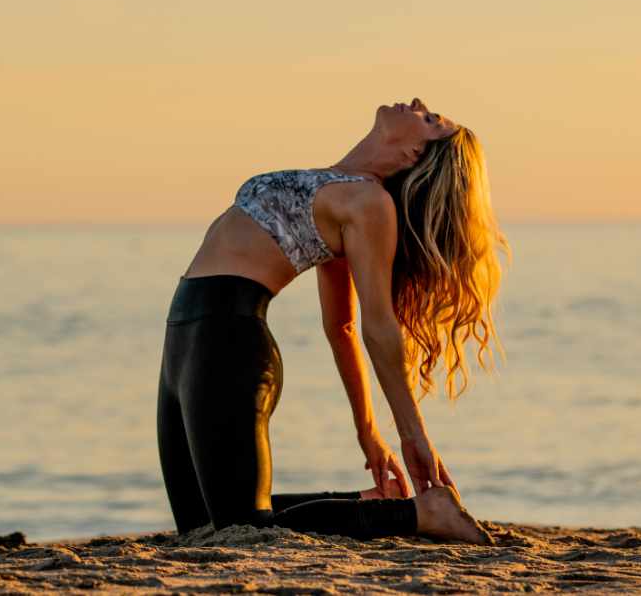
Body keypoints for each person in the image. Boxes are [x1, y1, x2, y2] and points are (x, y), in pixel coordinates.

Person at [157, 98, 510, 542]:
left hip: (228, 343)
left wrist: (411, 434)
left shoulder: (369, 204)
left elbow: (377, 325)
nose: (419, 104)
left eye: (430, 120)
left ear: (415, 153)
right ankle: (373, 504)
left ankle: (424, 514)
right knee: (198, 523)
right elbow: (338, 327)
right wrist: (368, 433)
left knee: (240, 527)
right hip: (184, 340)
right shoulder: (341, 187)